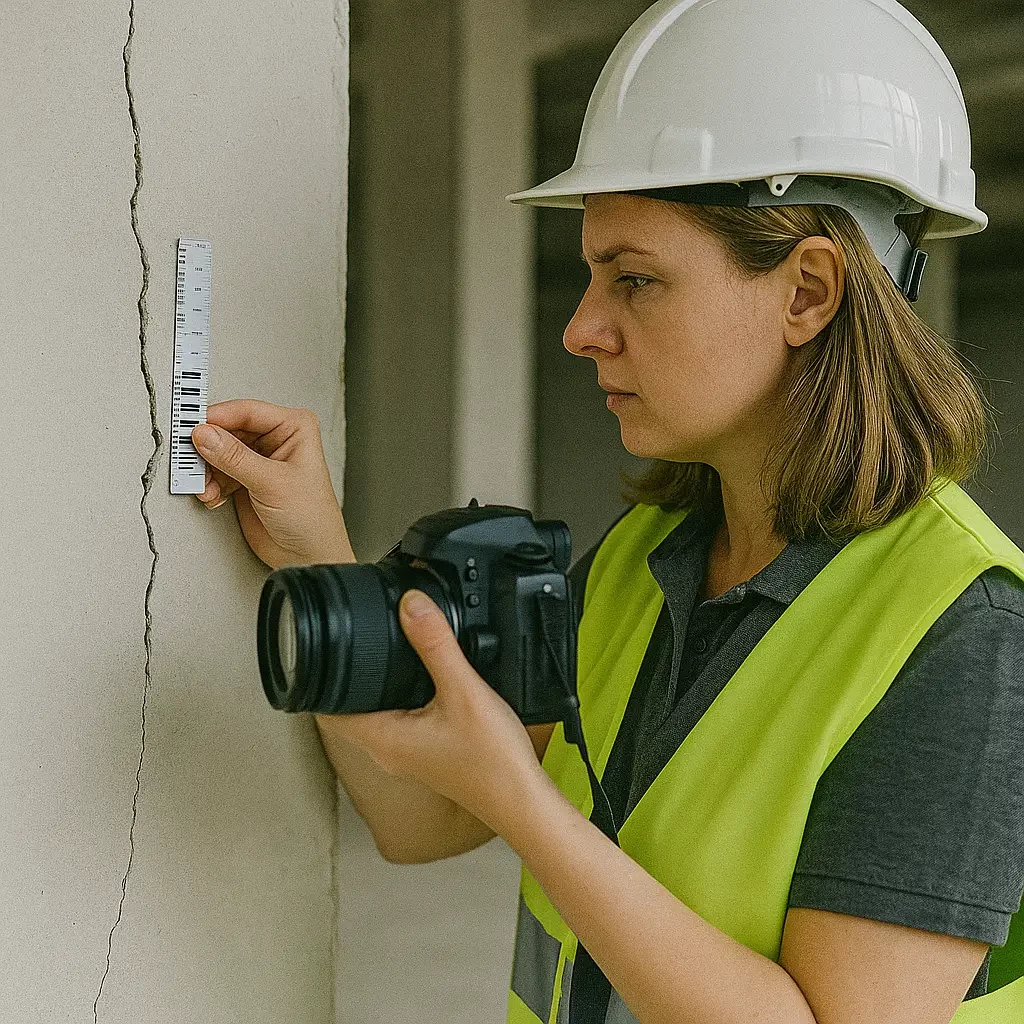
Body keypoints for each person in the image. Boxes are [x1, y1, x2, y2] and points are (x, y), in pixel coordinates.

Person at [191, 0, 1024, 1020]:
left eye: (635, 279)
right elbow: (419, 820)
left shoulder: (963, 636)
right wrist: (316, 550)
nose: (582, 329)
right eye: (593, 277)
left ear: (807, 291)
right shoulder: (644, 560)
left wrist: (522, 805)